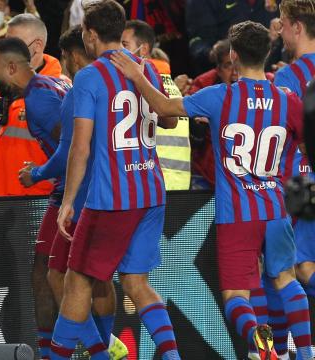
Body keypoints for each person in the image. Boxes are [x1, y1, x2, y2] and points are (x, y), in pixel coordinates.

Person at [111, 20, 314, 360]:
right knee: (286, 280)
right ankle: (307, 354)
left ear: (233, 55)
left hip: (237, 214)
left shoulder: (219, 96)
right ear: (267, 54)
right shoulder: (288, 99)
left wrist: (136, 75)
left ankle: (260, 344)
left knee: (236, 296)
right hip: (276, 209)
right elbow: (305, 145)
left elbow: (165, 109)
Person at [52, 1, 180, 359]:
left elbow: (81, 147)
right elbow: (170, 121)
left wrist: (67, 201)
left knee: (76, 280)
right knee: (137, 283)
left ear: (91, 35)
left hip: (112, 198)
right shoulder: (147, 68)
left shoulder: (89, 76)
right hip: (152, 191)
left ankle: (58, 356)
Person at [0, 27, 128, 359]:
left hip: (77, 192)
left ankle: (100, 350)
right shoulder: (54, 84)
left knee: (57, 276)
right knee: (62, 274)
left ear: (11, 68)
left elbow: (72, 148)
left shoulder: (38, 97)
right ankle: (96, 347)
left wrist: (36, 174)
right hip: (81, 190)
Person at [0, 13, 64, 197]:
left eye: (15, 44)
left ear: (37, 46)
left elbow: (71, 153)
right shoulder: (0, 87)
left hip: (35, 208)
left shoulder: (57, 91)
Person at [268, 1, 315, 358]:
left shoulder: (288, 78)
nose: (278, 30)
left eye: (282, 25)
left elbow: (285, 143)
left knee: (293, 268)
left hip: (302, 183)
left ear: (297, 27)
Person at [121, 19, 191, 191]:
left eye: (124, 44)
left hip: (156, 180)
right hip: (178, 182)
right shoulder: (169, 83)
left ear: (143, 49)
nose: (119, 51)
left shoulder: (143, 84)